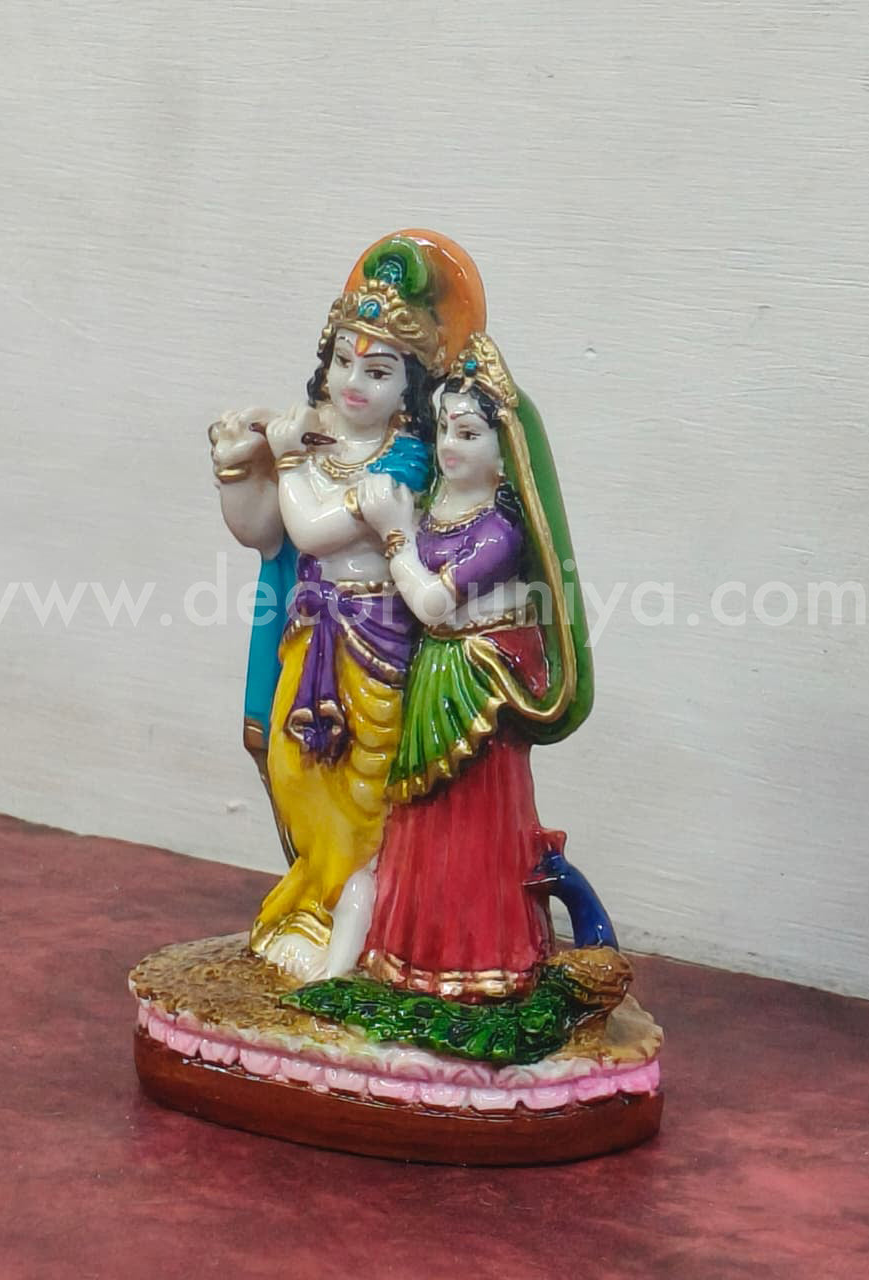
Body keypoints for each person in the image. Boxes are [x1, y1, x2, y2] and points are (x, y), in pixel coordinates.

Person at [209, 232, 485, 981]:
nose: (353, 383)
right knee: (295, 766)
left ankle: (359, 919)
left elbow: (313, 530)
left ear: (411, 387)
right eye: (342, 361)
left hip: (373, 641)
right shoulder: (319, 440)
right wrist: (239, 468)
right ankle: (311, 904)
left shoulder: (408, 459)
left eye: (379, 371)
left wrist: (286, 456)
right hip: (308, 635)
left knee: (361, 786)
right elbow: (264, 532)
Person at [352, 332, 596, 1001]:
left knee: (473, 822)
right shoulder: (436, 506)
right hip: (431, 675)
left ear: (505, 450)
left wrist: (395, 534)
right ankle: (409, 956)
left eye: (467, 433)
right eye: (443, 431)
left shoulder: (500, 531)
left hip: (479, 686)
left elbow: (432, 603)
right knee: (420, 818)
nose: (449, 447)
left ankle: (483, 958)